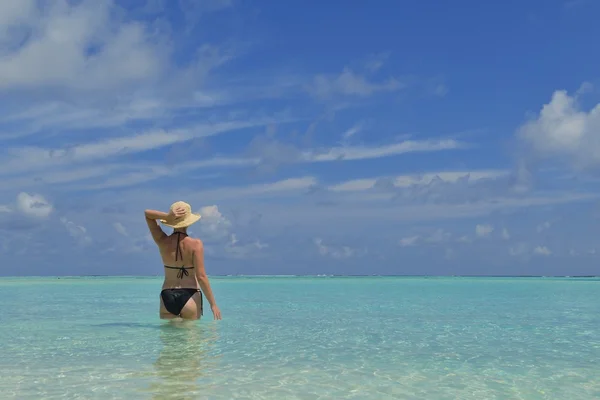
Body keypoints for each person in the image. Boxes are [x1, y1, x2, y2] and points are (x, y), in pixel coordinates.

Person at [145, 201, 222, 321]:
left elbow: (148, 214)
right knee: (191, 338)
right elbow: (201, 277)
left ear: (172, 222)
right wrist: (213, 304)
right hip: (190, 295)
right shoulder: (196, 244)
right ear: (189, 222)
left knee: (170, 339)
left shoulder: (162, 240)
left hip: (167, 296)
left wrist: (167, 216)